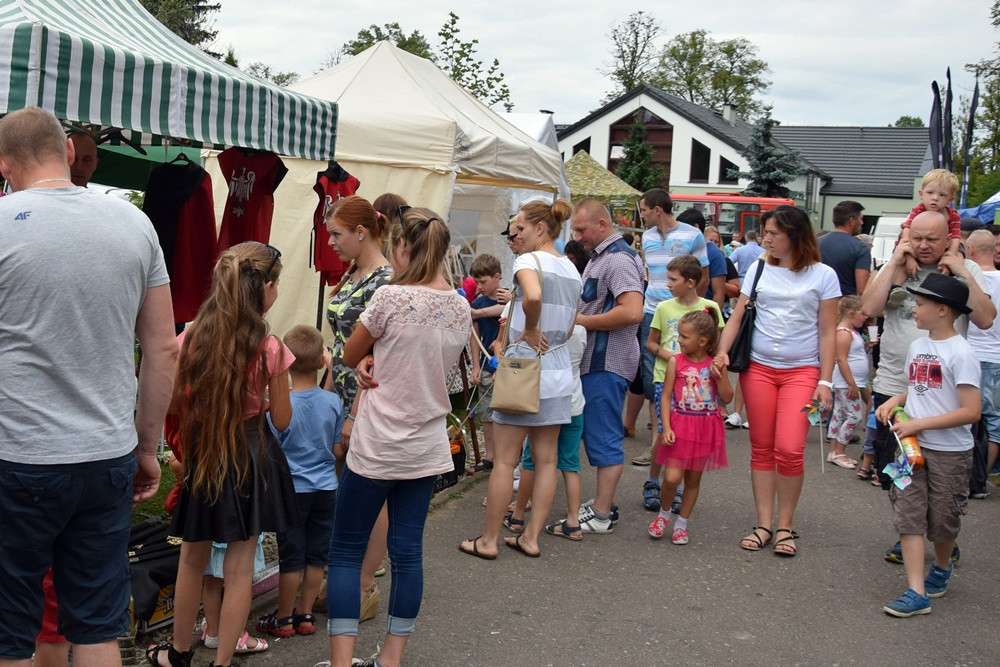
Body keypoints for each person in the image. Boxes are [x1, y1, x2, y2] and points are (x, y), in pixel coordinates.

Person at [0, 108, 176, 666]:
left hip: (17, 456)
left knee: (9, 632)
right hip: (106, 454)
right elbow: (163, 349)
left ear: (4, 166)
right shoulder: (134, 224)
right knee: (97, 626)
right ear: (70, 153)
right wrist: (147, 447)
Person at [329, 208, 470, 667]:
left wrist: (369, 357)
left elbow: (349, 353)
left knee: (346, 551)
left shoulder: (390, 297)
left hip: (377, 443)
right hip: (425, 445)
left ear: (403, 246)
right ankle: (390, 658)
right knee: (407, 554)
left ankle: (341, 661)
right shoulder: (460, 305)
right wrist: (378, 357)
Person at [147, 241, 298, 667]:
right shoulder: (269, 346)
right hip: (251, 454)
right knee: (239, 568)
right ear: (264, 287)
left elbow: (170, 402)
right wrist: (260, 402)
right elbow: (283, 419)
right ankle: (223, 660)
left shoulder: (192, 336)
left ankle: (178, 654)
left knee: (191, 559)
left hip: (206, 452)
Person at [713, 205, 840, 557]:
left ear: (795, 236)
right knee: (762, 447)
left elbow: (827, 332)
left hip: (803, 371)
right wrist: (721, 353)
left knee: (790, 448)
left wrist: (826, 381)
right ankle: (764, 524)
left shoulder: (824, 275)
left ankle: (786, 525)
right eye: (765, 232)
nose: (765, 239)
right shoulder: (758, 268)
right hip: (758, 369)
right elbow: (737, 317)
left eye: (772, 233)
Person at [460, 199, 581, 557]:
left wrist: (529, 328)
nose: (517, 236)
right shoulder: (571, 268)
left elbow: (534, 294)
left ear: (540, 228)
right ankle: (530, 537)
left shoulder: (529, 261)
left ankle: (488, 541)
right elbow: (570, 324)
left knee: (505, 459)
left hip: (525, 367)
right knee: (546, 460)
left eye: (521, 229)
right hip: (558, 368)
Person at [861, 211, 995, 489]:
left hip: (943, 396)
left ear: (948, 240)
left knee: (941, 482)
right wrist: (895, 261)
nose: (923, 245)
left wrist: (961, 271)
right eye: (917, 238)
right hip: (894, 386)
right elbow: (869, 309)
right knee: (896, 481)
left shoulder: (967, 268)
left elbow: (985, 319)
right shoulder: (896, 265)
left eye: (932, 239)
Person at [875, 273, 981, 617]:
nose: (914, 310)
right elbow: (920, 389)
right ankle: (916, 591)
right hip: (909, 449)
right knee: (908, 515)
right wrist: (896, 400)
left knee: (943, 520)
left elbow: (971, 411)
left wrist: (918, 424)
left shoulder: (963, 353)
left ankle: (942, 566)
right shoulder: (917, 347)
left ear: (943, 310)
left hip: (950, 453)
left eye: (920, 304)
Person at [323, 194, 392, 623]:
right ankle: (342, 575)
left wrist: (352, 414)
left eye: (336, 233)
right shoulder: (354, 272)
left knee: (369, 489)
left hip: (366, 397)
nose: (330, 242)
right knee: (344, 485)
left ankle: (365, 584)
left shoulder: (385, 280)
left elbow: (378, 355)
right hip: (341, 392)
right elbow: (338, 344)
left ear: (361, 232)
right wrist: (327, 397)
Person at [258, 325, 344, 637]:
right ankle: (305, 614)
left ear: (285, 363)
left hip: (292, 491)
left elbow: (271, 452)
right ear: (321, 362)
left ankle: (283, 618)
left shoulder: (280, 408)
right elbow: (338, 451)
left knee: (291, 556)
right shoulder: (333, 403)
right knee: (317, 555)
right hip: (326, 489)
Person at [571, 198, 645, 532]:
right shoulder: (606, 257)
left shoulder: (617, 260)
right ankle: (601, 505)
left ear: (602, 225)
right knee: (601, 435)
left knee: (604, 437)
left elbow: (632, 311)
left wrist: (581, 321)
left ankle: (602, 514)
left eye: (581, 229)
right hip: (602, 361)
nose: (578, 237)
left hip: (606, 362)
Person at [633, 189, 709, 467]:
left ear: (657, 210)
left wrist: (692, 310)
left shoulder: (693, 235)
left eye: (643, 210)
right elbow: (649, 275)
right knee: (654, 379)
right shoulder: (648, 237)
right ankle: (657, 444)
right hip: (652, 313)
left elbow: (703, 277)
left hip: (684, 317)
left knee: (687, 375)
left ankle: (683, 438)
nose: (641, 215)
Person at [643, 255, 724, 511]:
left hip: (698, 382)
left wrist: (717, 365)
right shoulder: (663, 307)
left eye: (672, 279)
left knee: (687, 434)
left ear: (690, 282)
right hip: (666, 376)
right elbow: (651, 343)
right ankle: (653, 480)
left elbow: (718, 346)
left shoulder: (710, 307)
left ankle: (676, 485)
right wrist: (672, 357)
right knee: (664, 431)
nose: (667, 283)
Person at [648, 311, 733, 544]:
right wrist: (666, 427)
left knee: (693, 480)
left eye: (684, 337)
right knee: (672, 478)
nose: (679, 340)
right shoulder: (676, 361)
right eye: (679, 335)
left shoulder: (715, 363)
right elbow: (666, 396)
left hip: (705, 428)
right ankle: (664, 514)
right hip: (680, 426)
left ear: (703, 341)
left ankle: (682, 524)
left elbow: (727, 397)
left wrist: (719, 374)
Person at [964, 230, 1000, 496]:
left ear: (971, 250)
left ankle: (964, 477)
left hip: (966, 353)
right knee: (994, 422)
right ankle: (981, 478)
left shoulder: (965, 277)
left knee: (963, 418)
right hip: (995, 357)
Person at [468, 253, 505, 470]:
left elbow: (507, 309)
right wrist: (475, 366)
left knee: (506, 412)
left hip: (506, 366)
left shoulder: (507, 298)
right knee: (487, 413)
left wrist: (476, 312)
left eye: (483, 282)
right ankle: (490, 457)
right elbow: (475, 337)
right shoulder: (478, 302)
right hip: (486, 364)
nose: (479, 287)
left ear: (497, 277)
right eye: (477, 282)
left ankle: (506, 456)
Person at [826, 295, 870, 470]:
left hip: (849, 381)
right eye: (862, 313)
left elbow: (853, 354)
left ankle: (834, 451)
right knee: (854, 416)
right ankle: (839, 451)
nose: (865, 317)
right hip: (847, 382)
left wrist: (867, 346)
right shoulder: (844, 333)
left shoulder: (851, 332)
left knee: (839, 414)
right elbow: (842, 359)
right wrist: (852, 383)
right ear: (851, 313)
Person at [898, 169, 962, 278]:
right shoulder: (918, 211)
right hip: (912, 249)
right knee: (900, 254)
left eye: (942, 195)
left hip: (941, 250)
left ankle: (957, 280)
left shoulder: (953, 216)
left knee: (960, 254)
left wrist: (949, 261)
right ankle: (896, 285)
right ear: (921, 194)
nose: (935, 198)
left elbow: (955, 239)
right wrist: (910, 258)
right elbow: (906, 235)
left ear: (950, 200)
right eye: (930, 192)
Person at [677, 208, 728, 311]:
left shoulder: (715, 254)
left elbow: (718, 293)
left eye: (683, 230)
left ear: (696, 227)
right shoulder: (684, 248)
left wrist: (714, 317)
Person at [819, 200, 871, 295]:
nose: (862, 222)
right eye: (860, 219)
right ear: (851, 221)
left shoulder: (815, 243)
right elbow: (862, 290)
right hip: (844, 302)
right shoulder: (860, 248)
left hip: (817, 300)